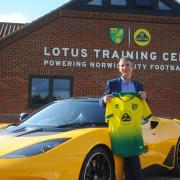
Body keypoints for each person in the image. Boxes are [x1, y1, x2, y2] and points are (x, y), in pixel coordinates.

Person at [100, 56, 147, 180]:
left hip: (132, 129)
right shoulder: (112, 83)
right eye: (122, 65)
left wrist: (145, 97)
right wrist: (104, 100)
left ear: (133, 68)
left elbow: (143, 105)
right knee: (125, 159)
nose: (124, 67)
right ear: (119, 68)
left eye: (127, 65)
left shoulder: (139, 85)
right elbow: (101, 102)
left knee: (132, 158)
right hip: (118, 129)